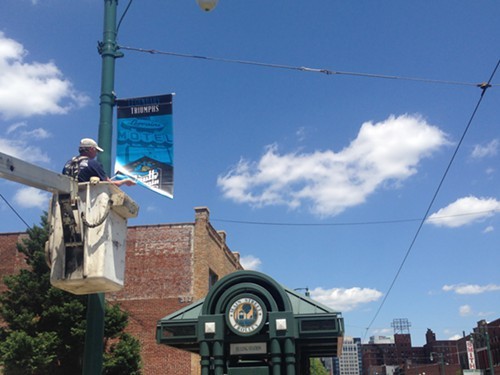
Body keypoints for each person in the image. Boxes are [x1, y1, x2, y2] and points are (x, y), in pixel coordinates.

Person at [63, 138, 135, 187]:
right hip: (85, 202)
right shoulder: (93, 164)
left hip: (64, 199)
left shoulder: (68, 164)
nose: (96, 154)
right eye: (96, 151)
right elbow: (109, 184)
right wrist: (124, 181)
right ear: (91, 149)